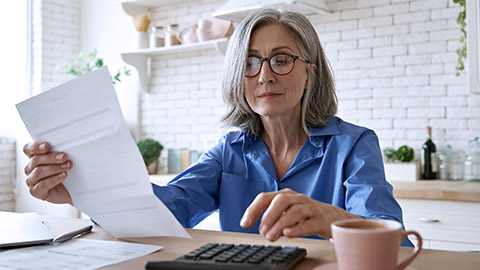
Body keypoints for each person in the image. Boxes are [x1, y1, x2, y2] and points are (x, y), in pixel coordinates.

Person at [23, 8, 412, 246]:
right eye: (250, 62)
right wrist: (81, 190)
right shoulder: (229, 151)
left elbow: (393, 239)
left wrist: (329, 219)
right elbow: (166, 210)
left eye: (280, 60)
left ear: (310, 72)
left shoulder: (354, 145)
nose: (264, 76)